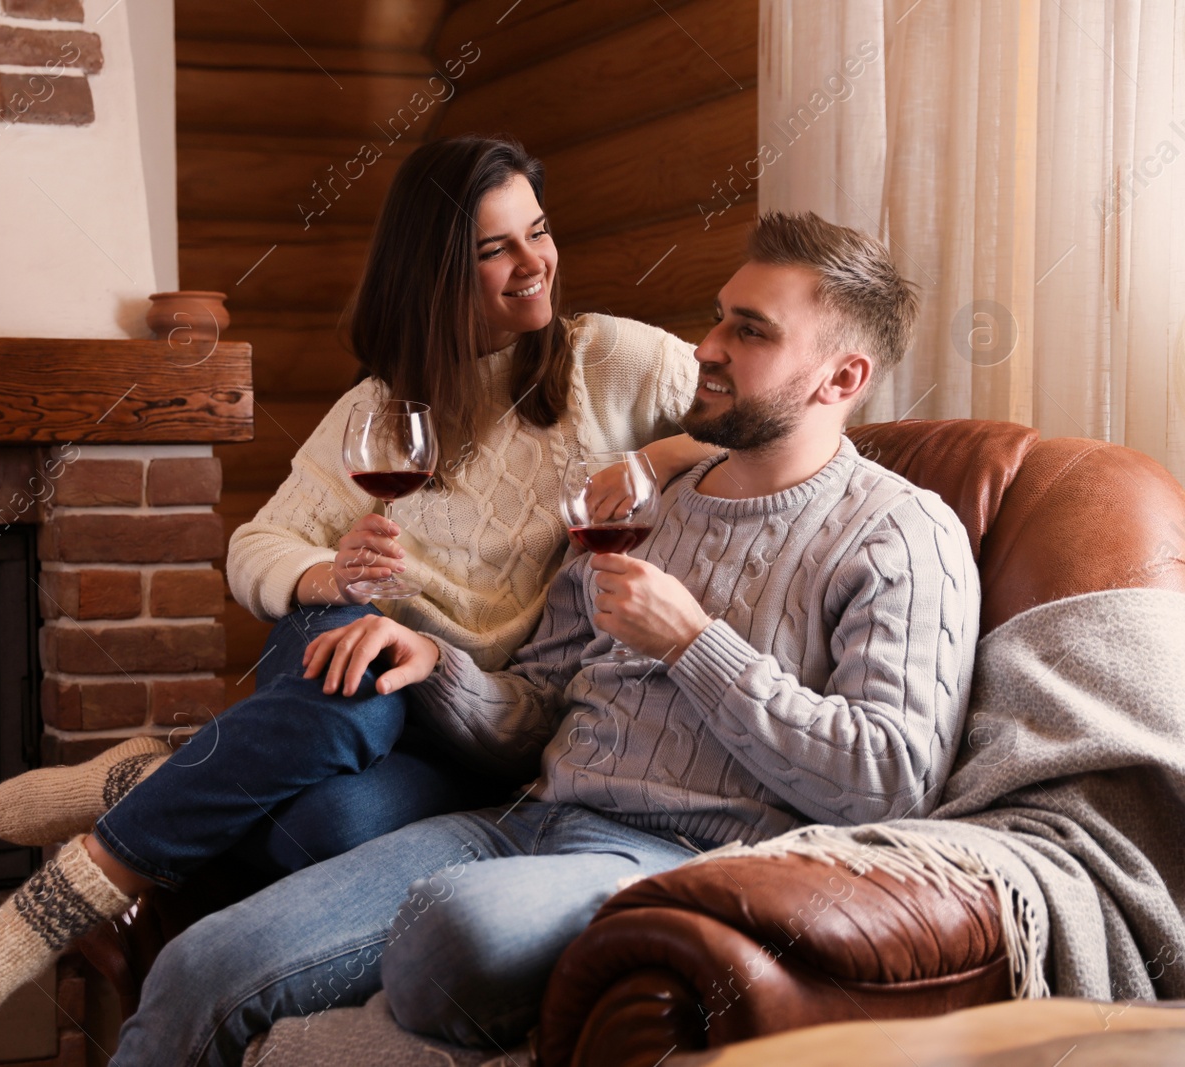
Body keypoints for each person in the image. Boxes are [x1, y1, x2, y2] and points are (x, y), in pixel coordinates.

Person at [0, 135, 709, 1067]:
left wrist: (654, 459)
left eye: (539, 233)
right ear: (436, 270)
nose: (534, 263)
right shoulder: (379, 408)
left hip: (469, 716)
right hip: (345, 667)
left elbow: (750, 418)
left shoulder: (612, 360)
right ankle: (38, 920)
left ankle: (164, 775)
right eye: (495, 248)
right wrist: (330, 574)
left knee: (330, 826)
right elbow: (255, 547)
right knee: (355, 696)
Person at [105, 211, 982, 1066]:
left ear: (841, 378)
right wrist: (435, 667)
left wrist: (692, 642)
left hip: (671, 862)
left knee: (454, 930)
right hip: (522, 821)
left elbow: (890, 782)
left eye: (749, 330)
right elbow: (537, 707)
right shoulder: (647, 504)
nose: (709, 345)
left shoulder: (901, 534)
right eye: (718, 314)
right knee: (199, 963)